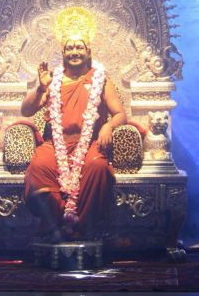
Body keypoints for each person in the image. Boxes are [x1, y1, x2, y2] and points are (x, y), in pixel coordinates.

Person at [21, 35, 127, 241]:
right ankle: (55, 226)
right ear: (63, 54)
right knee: (37, 168)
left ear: (88, 52)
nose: (74, 52)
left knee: (97, 167)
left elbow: (120, 114)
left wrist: (108, 126)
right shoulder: (53, 81)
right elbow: (26, 111)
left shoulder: (101, 80)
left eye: (79, 47)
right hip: (55, 144)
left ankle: (83, 228)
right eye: (69, 48)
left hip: (89, 144)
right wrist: (41, 88)